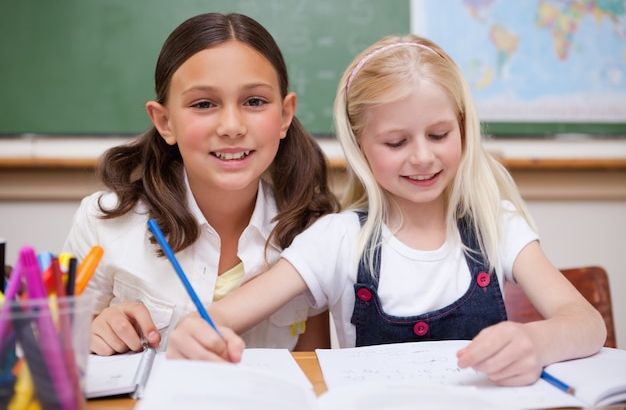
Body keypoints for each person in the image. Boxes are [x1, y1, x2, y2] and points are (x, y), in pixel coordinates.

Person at [167, 34, 606, 385]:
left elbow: (587, 324)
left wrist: (536, 341)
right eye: (396, 142)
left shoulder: (497, 225)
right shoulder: (337, 239)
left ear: (463, 129)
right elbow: (219, 318)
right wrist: (199, 331)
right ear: (361, 149)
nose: (422, 158)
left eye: (438, 135)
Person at [62, 12, 339, 357]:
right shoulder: (104, 222)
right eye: (204, 104)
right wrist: (92, 331)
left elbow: (311, 374)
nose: (231, 126)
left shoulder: (312, 232)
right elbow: (55, 350)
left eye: (254, 101)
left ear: (284, 116)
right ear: (164, 122)